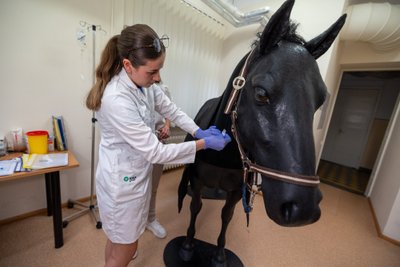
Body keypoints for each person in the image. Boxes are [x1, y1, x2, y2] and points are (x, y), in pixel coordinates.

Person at [85, 24, 231, 267]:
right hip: (121, 183)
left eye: (160, 69)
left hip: (132, 176)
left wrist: (197, 129)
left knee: (118, 240)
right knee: (128, 244)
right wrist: (202, 143)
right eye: (152, 71)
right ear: (128, 66)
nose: (158, 77)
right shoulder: (117, 99)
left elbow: (170, 108)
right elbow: (155, 152)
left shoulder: (144, 86)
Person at [146, 81, 171, 239]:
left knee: (153, 186)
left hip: (158, 140)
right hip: (137, 146)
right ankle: (132, 232)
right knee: (135, 190)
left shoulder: (163, 88)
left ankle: (150, 219)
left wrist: (167, 126)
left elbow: (169, 112)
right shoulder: (131, 88)